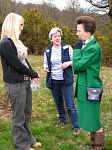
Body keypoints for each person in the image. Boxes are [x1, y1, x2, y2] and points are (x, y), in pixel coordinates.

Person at [0, 13, 42, 150]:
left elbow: (24, 61)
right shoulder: (5, 43)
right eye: (21, 24)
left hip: (24, 81)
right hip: (15, 83)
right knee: (18, 116)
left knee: (26, 114)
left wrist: (32, 74)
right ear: (13, 24)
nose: (22, 28)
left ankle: (29, 139)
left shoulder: (17, 41)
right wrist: (32, 73)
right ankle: (22, 145)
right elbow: (16, 65)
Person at [73, 16, 104, 149]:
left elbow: (78, 66)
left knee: (94, 122)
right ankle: (94, 146)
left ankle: (98, 147)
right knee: (91, 121)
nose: (77, 33)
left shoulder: (92, 48)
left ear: (88, 31)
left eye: (79, 30)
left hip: (90, 90)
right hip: (85, 88)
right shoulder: (88, 45)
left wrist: (76, 50)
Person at [43, 27, 80, 135]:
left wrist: (68, 63)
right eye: (55, 36)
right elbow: (45, 62)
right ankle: (62, 119)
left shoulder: (67, 48)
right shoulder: (47, 50)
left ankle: (76, 126)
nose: (58, 38)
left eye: (59, 36)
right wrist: (45, 67)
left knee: (70, 104)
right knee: (59, 102)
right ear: (51, 39)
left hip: (66, 80)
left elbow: (76, 61)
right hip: (54, 81)